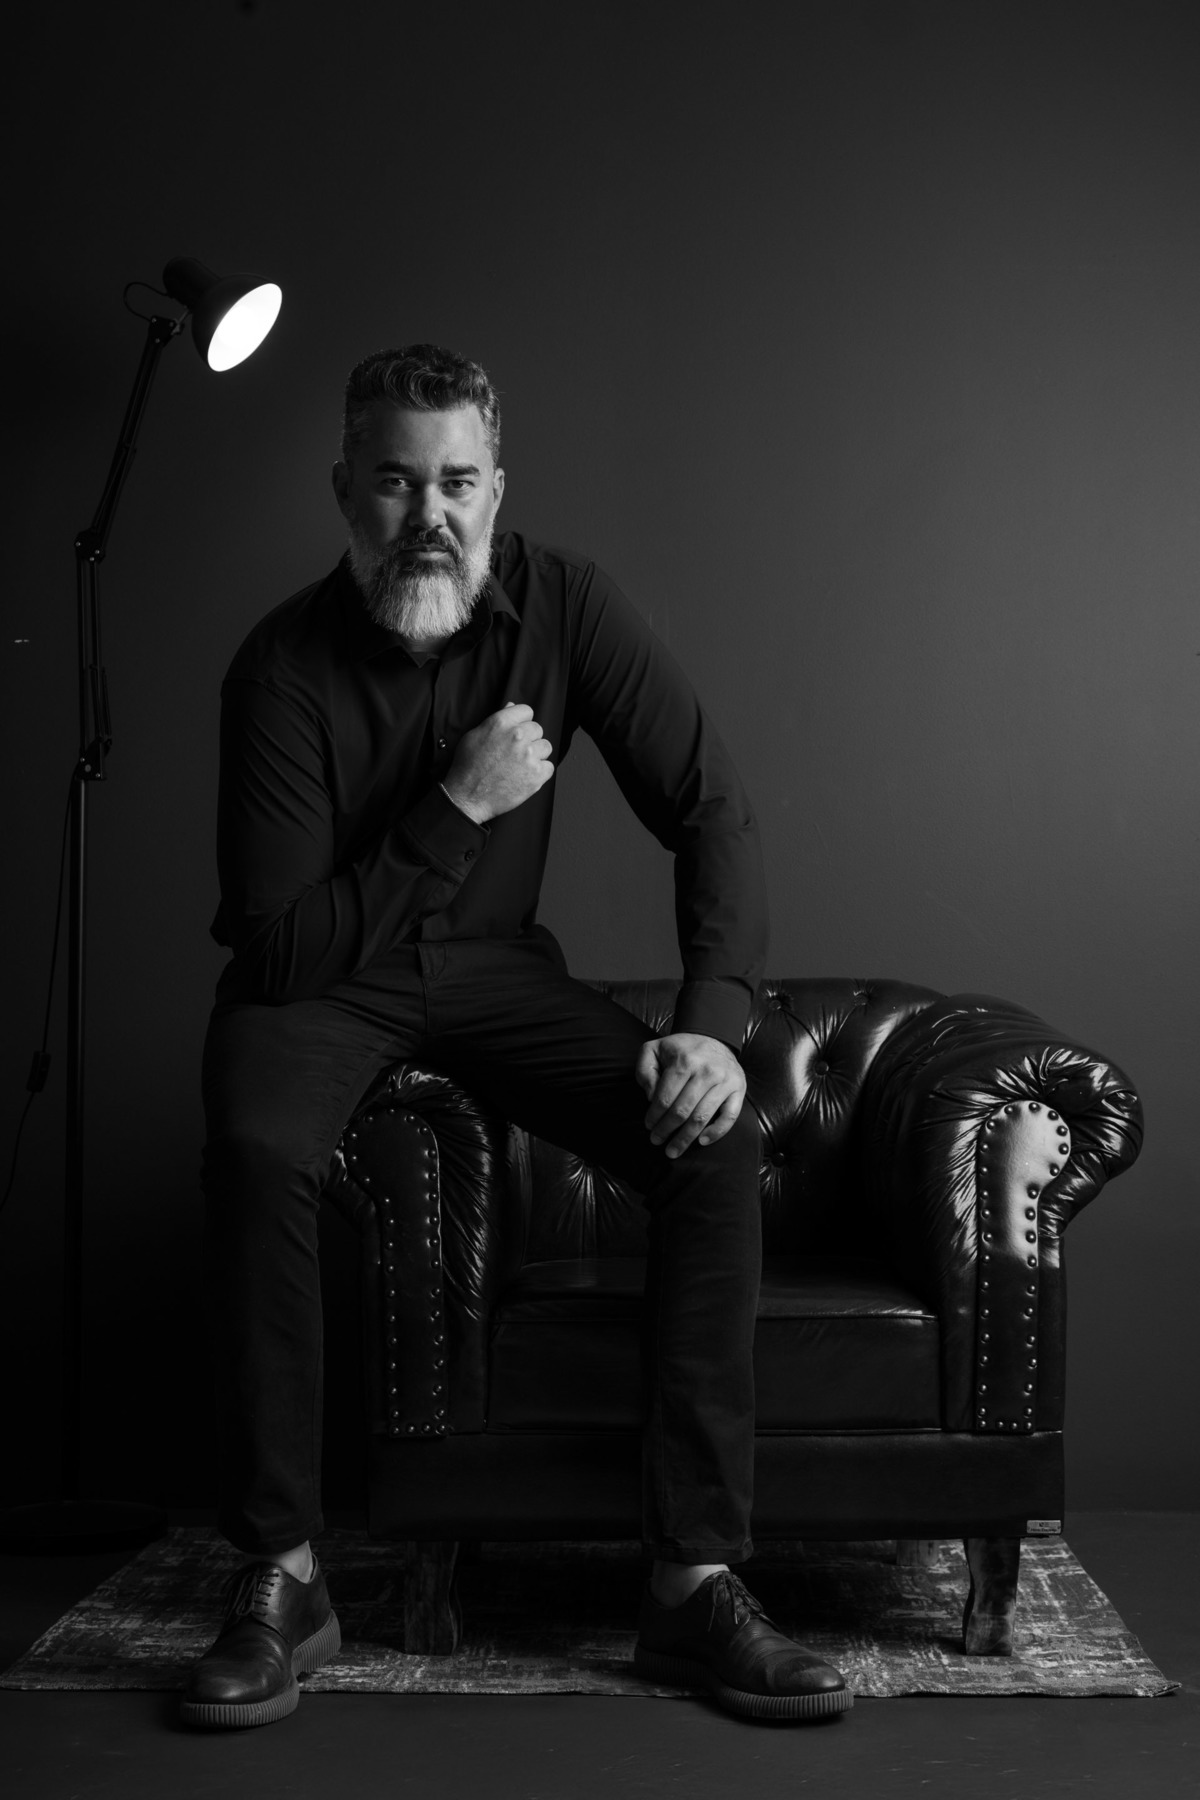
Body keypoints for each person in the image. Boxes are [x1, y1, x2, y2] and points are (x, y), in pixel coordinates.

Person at [183, 344, 852, 1729]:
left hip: (494, 975)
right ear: (345, 492)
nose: (429, 515)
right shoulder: (280, 668)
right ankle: (285, 1576)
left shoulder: (568, 604)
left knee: (710, 1138)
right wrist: (458, 807)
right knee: (255, 1150)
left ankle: (692, 1583)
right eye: (396, 482)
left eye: (458, 482)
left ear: (498, 489)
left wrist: (712, 1027)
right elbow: (282, 946)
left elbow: (712, 806)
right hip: (324, 989)